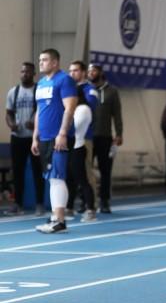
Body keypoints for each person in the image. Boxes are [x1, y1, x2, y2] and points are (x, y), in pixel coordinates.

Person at [31, 48, 78, 234]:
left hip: (58, 137)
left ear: (55, 63)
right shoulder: (41, 83)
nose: (41, 62)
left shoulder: (64, 80)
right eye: (40, 59)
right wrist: (35, 136)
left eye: (44, 60)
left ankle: (59, 221)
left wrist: (63, 133)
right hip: (44, 138)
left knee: (57, 177)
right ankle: (54, 217)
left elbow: (70, 108)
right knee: (51, 179)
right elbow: (39, 112)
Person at [4, 61, 45, 216]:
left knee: (37, 171)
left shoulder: (39, 91)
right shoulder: (13, 92)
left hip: (35, 138)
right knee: (17, 172)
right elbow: (8, 113)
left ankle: (40, 204)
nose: (24, 74)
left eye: (27, 72)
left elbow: (44, 111)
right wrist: (11, 124)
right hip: (17, 138)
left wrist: (35, 124)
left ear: (33, 74)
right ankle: (17, 204)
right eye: (22, 71)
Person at [87, 63, 122, 214]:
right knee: (85, 170)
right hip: (88, 137)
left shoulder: (112, 92)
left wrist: (119, 134)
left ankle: (104, 201)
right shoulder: (85, 90)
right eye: (89, 71)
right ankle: (86, 201)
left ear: (100, 72)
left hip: (105, 137)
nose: (91, 73)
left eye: (93, 70)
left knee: (105, 170)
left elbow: (117, 114)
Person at [66, 61, 98, 222]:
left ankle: (92, 206)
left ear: (84, 72)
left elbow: (89, 109)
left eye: (76, 70)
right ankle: (71, 206)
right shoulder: (68, 89)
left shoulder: (90, 90)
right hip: (69, 140)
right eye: (70, 70)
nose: (72, 74)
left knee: (85, 174)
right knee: (71, 175)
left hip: (84, 137)